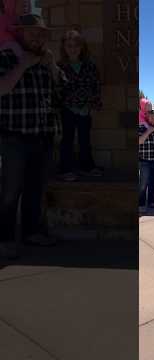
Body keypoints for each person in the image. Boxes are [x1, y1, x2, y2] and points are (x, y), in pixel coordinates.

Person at [0, 14, 66, 259]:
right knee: (9, 191)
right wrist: (22, 66)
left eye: (40, 33)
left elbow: (63, 91)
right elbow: (2, 88)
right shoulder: (6, 57)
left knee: (35, 190)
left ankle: (32, 233)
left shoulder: (45, 60)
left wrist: (52, 66)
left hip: (43, 136)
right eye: (31, 32)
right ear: (20, 33)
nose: (36, 37)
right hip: (13, 137)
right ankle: (5, 238)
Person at [57, 29, 102, 181]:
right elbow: (57, 88)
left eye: (76, 46)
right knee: (67, 140)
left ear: (82, 47)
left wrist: (95, 104)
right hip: (67, 110)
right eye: (69, 46)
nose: (73, 49)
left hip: (85, 110)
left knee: (85, 141)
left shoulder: (89, 66)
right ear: (64, 48)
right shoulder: (59, 66)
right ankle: (65, 169)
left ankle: (86, 167)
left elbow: (96, 86)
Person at [138, 100, 154, 213]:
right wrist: (149, 130)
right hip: (145, 161)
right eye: (151, 117)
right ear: (147, 117)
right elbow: (139, 141)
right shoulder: (141, 127)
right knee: (143, 184)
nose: (153, 119)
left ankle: (152, 202)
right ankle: (141, 204)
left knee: (153, 183)